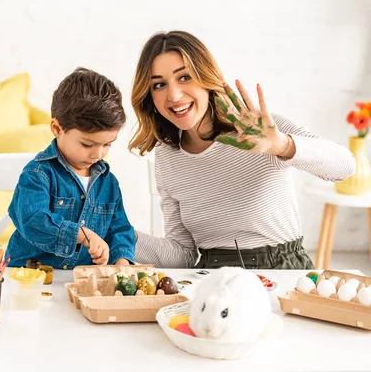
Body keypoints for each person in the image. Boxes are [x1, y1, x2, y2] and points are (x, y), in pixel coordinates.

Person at [129, 31, 354, 270]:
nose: (173, 95)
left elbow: (345, 167)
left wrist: (281, 144)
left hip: (281, 271)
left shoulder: (264, 129)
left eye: (184, 77)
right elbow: (182, 256)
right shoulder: (167, 156)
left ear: (206, 78)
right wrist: (121, 235)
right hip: (211, 278)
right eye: (159, 85)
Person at [6, 68, 135, 269]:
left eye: (107, 144)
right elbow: (32, 220)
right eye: (87, 144)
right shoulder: (37, 175)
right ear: (57, 128)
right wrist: (81, 235)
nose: (98, 154)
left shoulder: (108, 183)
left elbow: (120, 229)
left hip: (78, 281)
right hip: (29, 279)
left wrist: (122, 261)